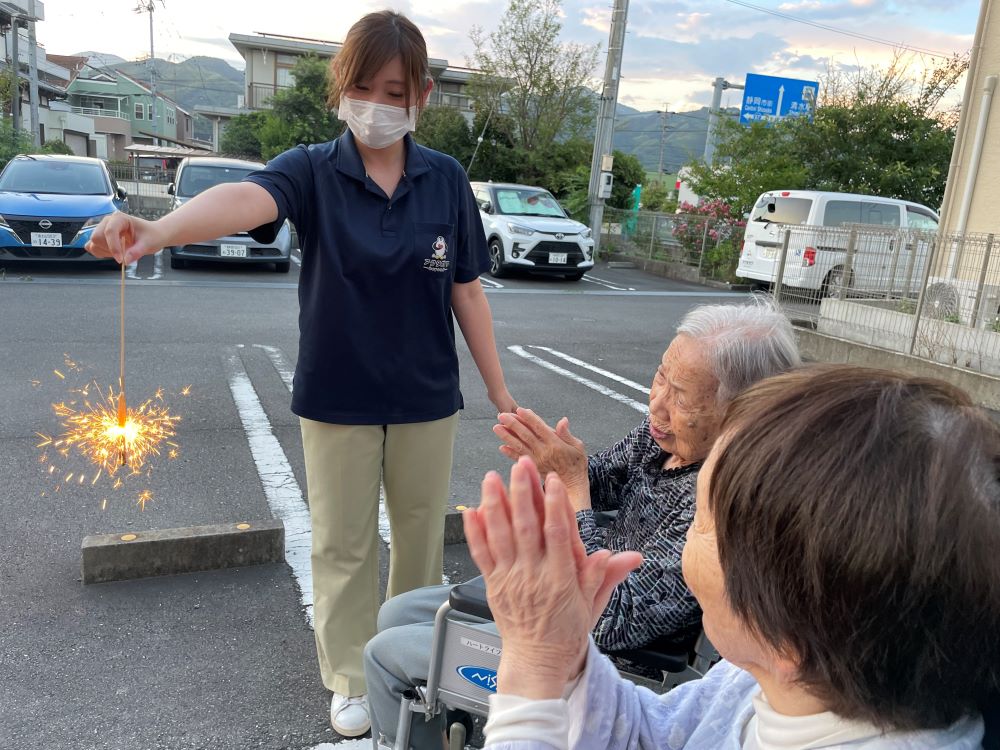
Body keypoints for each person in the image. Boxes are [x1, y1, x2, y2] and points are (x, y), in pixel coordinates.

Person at [84, 11, 516, 738]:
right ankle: (350, 675)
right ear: (342, 89)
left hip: (426, 397)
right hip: (337, 395)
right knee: (342, 543)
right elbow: (245, 201)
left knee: (419, 540)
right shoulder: (312, 168)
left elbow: (467, 289)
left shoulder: (445, 180)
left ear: (423, 94)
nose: (377, 104)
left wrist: (500, 392)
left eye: (395, 90)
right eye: (364, 87)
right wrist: (156, 229)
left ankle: (410, 663)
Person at [465, 366, 1000, 750]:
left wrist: (532, 673)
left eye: (700, 521)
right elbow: (657, 732)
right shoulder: (762, 679)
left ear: (783, 630)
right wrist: (565, 657)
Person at [363, 300, 801, 748]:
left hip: (607, 653)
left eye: (682, 397)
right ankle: (449, 722)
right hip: (565, 596)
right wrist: (558, 463)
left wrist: (572, 489)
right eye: (660, 377)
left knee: (384, 655)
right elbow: (598, 482)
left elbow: (611, 620)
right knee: (396, 612)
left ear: (742, 414)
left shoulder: (721, 499)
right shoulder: (665, 438)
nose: (658, 404)